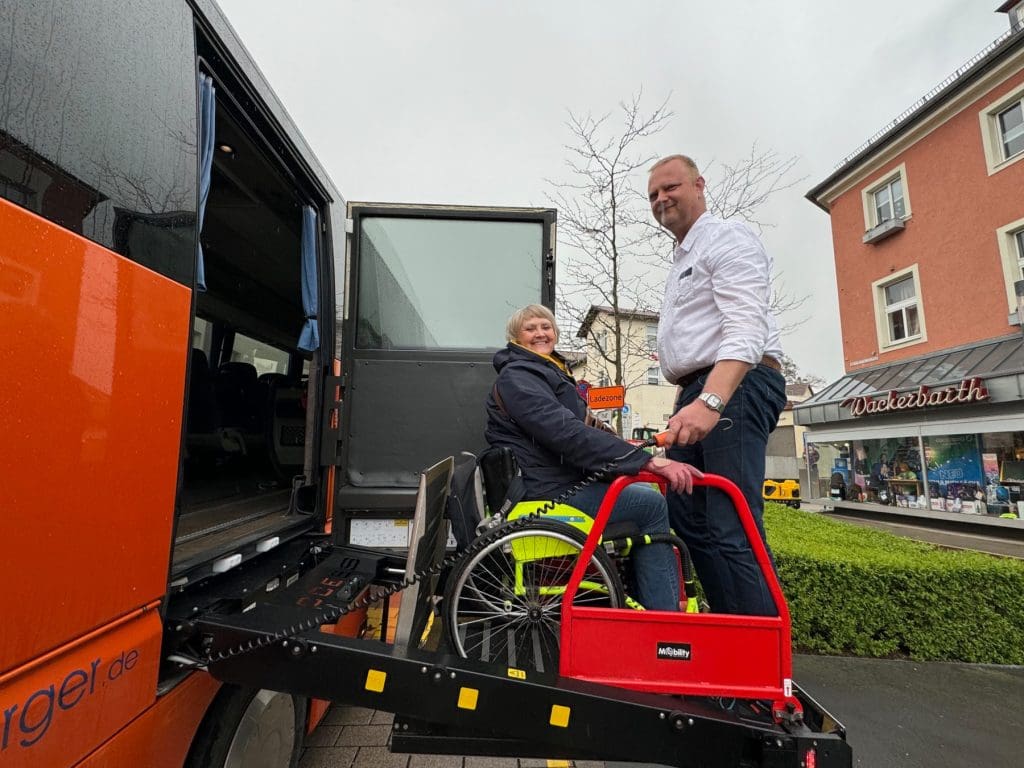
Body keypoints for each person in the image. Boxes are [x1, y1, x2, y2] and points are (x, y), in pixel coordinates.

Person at [485, 304, 703, 611]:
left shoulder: (544, 370)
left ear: (555, 332)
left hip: (552, 481)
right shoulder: (520, 377)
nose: (540, 333)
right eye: (530, 328)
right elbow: (566, 434)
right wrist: (645, 461)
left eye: (545, 326)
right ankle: (663, 619)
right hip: (546, 491)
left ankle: (647, 603)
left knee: (644, 493)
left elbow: (586, 427)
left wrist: (634, 451)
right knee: (651, 506)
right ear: (516, 338)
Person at [647, 154, 788, 616]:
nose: (661, 199)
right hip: (701, 391)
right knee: (690, 523)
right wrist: (689, 397)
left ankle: (762, 666)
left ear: (699, 184)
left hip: (736, 386)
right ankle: (729, 643)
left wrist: (710, 400)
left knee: (732, 524)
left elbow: (746, 328)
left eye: (670, 187)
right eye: (653, 195)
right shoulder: (682, 258)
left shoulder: (725, 237)